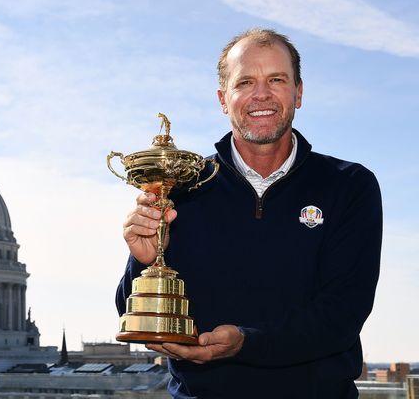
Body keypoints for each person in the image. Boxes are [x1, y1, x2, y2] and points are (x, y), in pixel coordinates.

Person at [116, 28, 382, 398]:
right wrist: (142, 261)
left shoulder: (349, 185)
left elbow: (341, 316)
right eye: (245, 82)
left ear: (298, 92)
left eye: (277, 79)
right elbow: (133, 314)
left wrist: (246, 343)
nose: (262, 94)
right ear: (224, 99)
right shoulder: (180, 185)